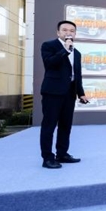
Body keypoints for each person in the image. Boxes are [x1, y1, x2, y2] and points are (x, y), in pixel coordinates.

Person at [39, 20, 89, 169]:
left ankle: (62, 154)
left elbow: (77, 75)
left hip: (69, 93)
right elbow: (49, 63)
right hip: (52, 92)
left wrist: (81, 93)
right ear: (58, 32)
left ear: (75, 34)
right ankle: (47, 158)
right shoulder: (49, 46)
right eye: (65, 30)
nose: (69, 33)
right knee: (49, 126)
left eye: (72, 31)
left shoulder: (77, 53)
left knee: (65, 126)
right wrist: (65, 51)